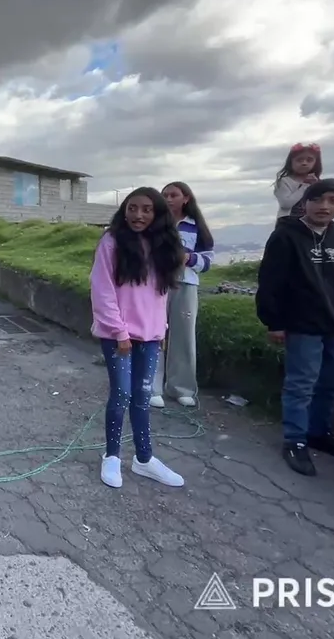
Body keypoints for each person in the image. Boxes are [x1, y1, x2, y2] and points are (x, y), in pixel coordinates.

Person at [256, 178, 334, 476]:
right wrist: (274, 321)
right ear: (305, 203)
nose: (324, 206)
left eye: (333, 200)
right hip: (303, 324)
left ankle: (319, 432)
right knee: (301, 384)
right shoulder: (285, 236)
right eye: (317, 199)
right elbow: (270, 282)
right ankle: (295, 440)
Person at [90, 187, 187, 490]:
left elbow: (159, 296)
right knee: (121, 394)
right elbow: (102, 290)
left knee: (142, 397)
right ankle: (112, 456)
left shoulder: (163, 245)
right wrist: (120, 332)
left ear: (157, 214)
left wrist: (161, 330)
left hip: (150, 336)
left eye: (146, 209)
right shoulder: (111, 241)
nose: (138, 215)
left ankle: (144, 459)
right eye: (132, 208)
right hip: (118, 336)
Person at [149, 181, 215, 409]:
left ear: (186, 198)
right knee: (153, 333)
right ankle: (151, 387)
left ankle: (181, 388)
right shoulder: (155, 222)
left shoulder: (196, 226)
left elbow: (208, 260)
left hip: (185, 283)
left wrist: (189, 258)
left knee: (183, 336)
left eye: (173, 195)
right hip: (154, 283)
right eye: (165, 194)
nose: (168, 199)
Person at [274, 142, 322, 219]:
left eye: (309, 160)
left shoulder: (317, 182)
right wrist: (305, 185)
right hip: (288, 222)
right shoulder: (285, 181)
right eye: (299, 160)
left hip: (311, 222)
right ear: (291, 162)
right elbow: (286, 204)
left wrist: (317, 187)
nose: (304, 163)